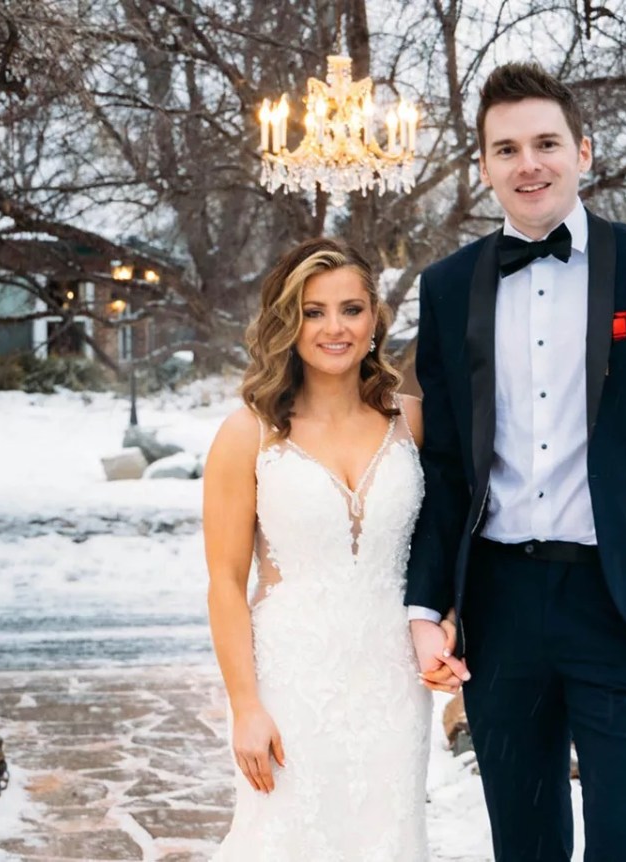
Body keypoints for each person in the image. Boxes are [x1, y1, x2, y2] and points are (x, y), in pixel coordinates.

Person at [407, 63, 626, 861]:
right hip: (500, 607)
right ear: (483, 166)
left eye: (547, 143)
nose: (530, 164)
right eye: (507, 148)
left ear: (583, 151)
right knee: (525, 848)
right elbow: (447, 466)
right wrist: (428, 609)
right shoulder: (448, 288)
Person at [203, 237, 448, 860]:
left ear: (374, 320)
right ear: (288, 324)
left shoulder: (413, 421)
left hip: (393, 683)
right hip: (291, 682)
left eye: (351, 309)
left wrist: (447, 623)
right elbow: (226, 583)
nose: (334, 328)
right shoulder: (246, 435)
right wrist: (246, 707)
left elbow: (446, 540)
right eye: (314, 311)